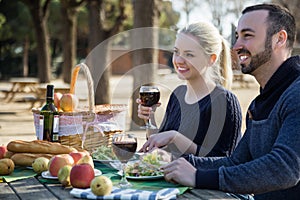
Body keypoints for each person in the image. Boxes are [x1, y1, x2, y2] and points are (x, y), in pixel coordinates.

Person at [161, 3, 300, 200]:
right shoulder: (260, 102)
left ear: (279, 39)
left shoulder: (296, 93)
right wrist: (179, 163)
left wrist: (197, 176)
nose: (236, 46)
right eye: (237, 37)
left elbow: (284, 168)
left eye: (247, 36)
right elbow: (236, 161)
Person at [137, 21, 242, 158]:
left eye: (189, 54)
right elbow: (161, 147)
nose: (179, 60)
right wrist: (149, 119)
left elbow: (223, 160)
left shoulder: (224, 101)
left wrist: (175, 137)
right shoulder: (178, 94)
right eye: (176, 52)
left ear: (211, 59)